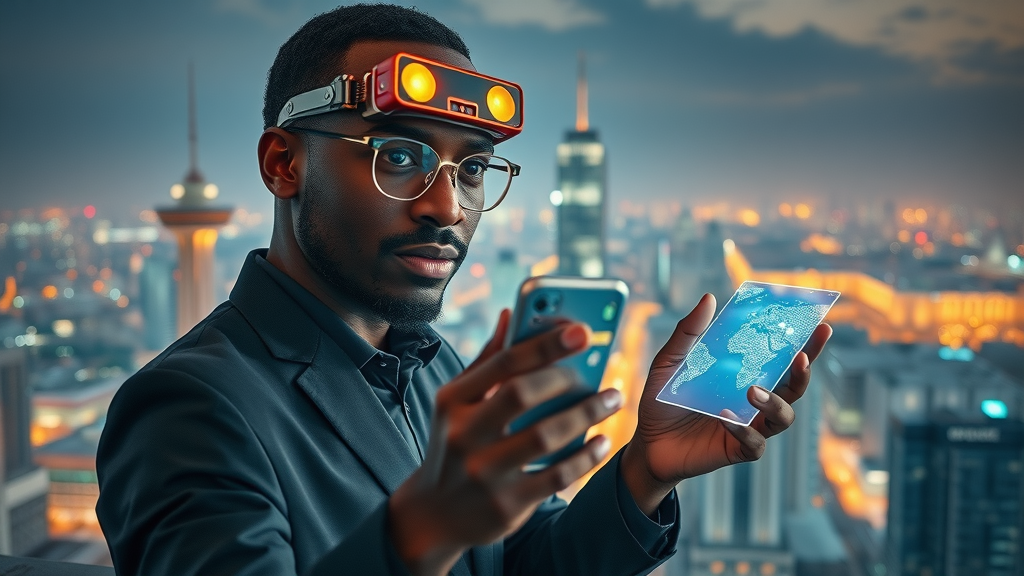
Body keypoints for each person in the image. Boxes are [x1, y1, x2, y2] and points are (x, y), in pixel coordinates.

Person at [96, 5, 831, 576]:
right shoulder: (189, 408)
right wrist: (423, 532)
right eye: (399, 155)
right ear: (284, 164)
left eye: (472, 169)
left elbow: (520, 563)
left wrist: (646, 468)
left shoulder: (435, 367)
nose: (447, 207)